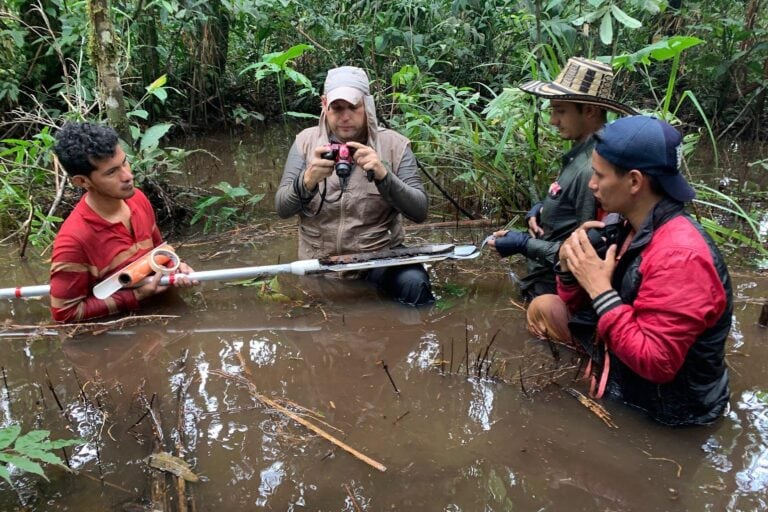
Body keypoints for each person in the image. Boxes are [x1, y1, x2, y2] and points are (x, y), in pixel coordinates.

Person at [526, 115, 733, 426]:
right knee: (544, 306)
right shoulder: (623, 223)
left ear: (635, 181)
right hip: (622, 364)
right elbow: (574, 306)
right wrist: (571, 270)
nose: (591, 184)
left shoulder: (680, 256)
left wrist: (599, 289)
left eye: (598, 175)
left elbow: (657, 363)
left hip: (668, 413)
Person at [275, 66, 433, 306]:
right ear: (324, 104)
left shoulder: (395, 145)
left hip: (378, 261)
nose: (345, 116)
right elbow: (282, 208)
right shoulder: (305, 143)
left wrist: (384, 176)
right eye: (337, 108)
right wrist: (307, 181)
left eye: (353, 107)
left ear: (367, 106)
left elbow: (420, 211)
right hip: (318, 263)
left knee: (415, 283)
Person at [487, 57, 637, 301]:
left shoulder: (592, 168)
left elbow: (587, 252)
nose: (552, 121)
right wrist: (541, 211)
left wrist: (523, 244)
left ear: (589, 111)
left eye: (560, 111)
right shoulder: (581, 155)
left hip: (555, 293)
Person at [50, 122, 197, 322]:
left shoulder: (137, 199)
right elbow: (65, 314)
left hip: (166, 318)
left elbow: (158, 251)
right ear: (82, 182)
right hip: (122, 331)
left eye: (124, 162)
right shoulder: (74, 240)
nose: (128, 176)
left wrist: (174, 266)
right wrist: (136, 296)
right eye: (111, 172)